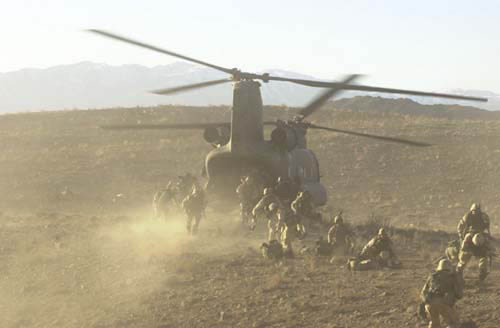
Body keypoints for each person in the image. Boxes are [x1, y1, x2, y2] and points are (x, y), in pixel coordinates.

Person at [420, 259, 464, 328]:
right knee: (454, 323)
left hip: (429, 304)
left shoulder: (432, 276)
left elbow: (423, 292)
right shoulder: (452, 277)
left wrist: (426, 301)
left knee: (434, 324)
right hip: (443, 303)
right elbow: (459, 294)